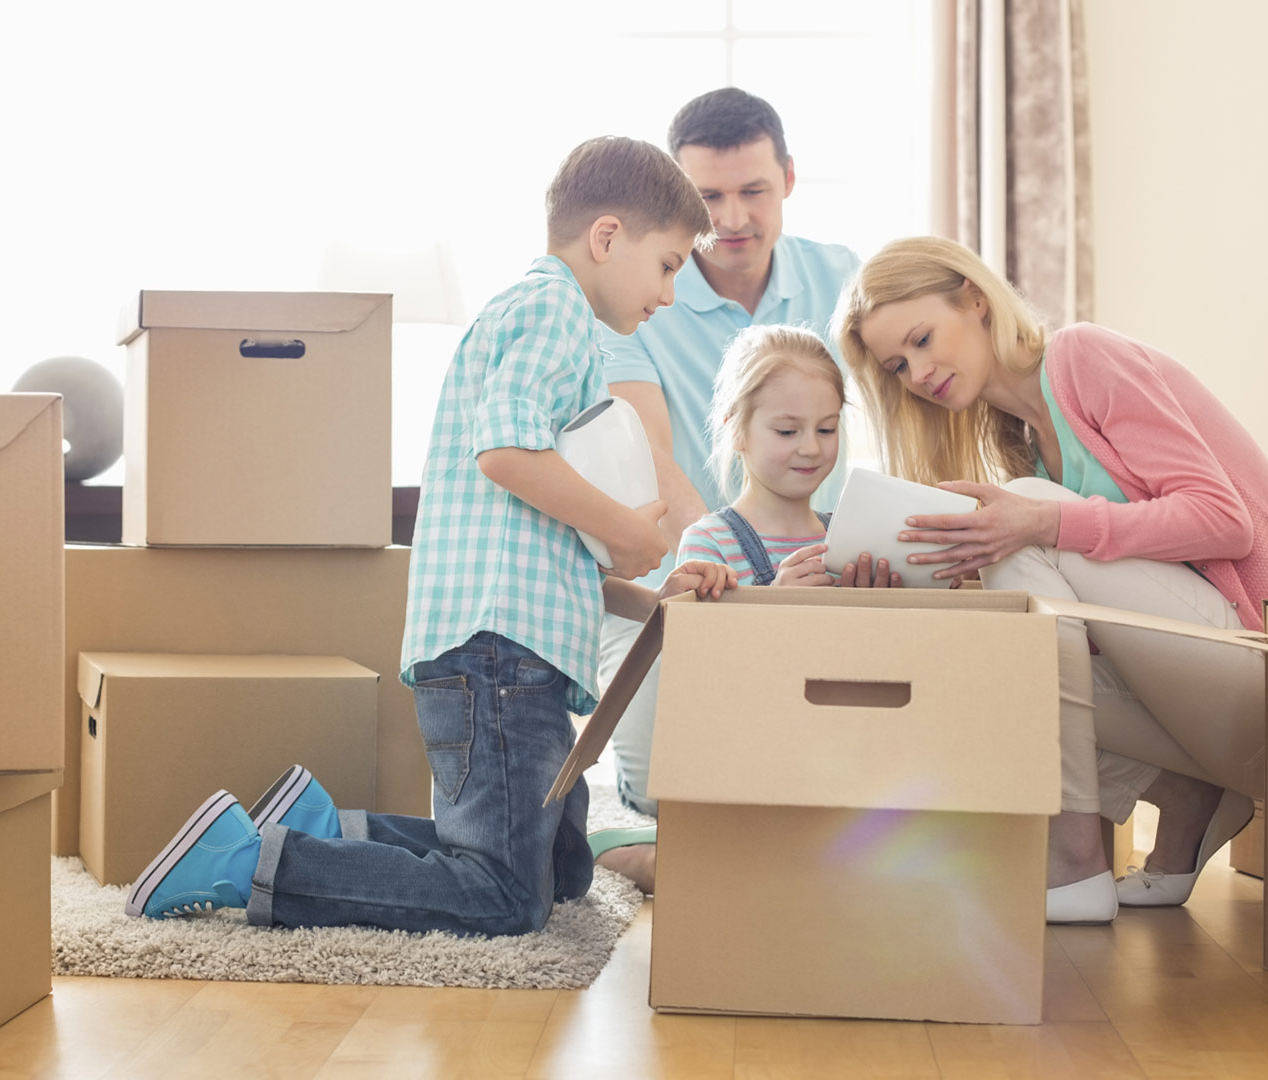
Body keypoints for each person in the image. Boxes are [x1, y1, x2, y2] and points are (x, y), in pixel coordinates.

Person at [123, 136, 738, 935]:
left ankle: (328, 829)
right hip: (501, 656)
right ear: (608, 237)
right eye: (668, 264)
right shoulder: (552, 310)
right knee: (504, 896)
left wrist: (649, 598)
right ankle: (252, 863)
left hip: (511, 648)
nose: (670, 291)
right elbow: (506, 451)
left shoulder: (541, 318)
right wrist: (626, 526)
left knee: (559, 872)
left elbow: (543, 545)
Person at [835, 236, 1268, 924]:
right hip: (1210, 708)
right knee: (988, 645)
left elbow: (1225, 522)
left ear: (974, 300)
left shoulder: (1082, 358)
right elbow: (1085, 638)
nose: (917, 372)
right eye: (898, 364)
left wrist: (1044, 522)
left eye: (922, 339)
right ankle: (1186, 796)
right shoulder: (1020, 437)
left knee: (1027, 506)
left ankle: (1073, 860)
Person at [595, 88, 862, 868]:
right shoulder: (637, 295)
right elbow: (654, 459)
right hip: (691, 582)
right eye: (709, 197)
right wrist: (736, 589)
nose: (734, 217)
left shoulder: (841, 277)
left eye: (754, 191)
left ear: (788, 179)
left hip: (817, 572)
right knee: (665, 781)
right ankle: (616, 837)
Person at [588, 326, 905, 891]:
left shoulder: (851, 540)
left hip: (835, 761)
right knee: (750, 871)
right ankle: (627, 852)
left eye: (827, 429)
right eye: (788, 430)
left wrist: (874, 606)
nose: (812, 447)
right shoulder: (711, 541)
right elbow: (703, 687)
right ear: (737, 432)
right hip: (743, 762)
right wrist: (773, 601)